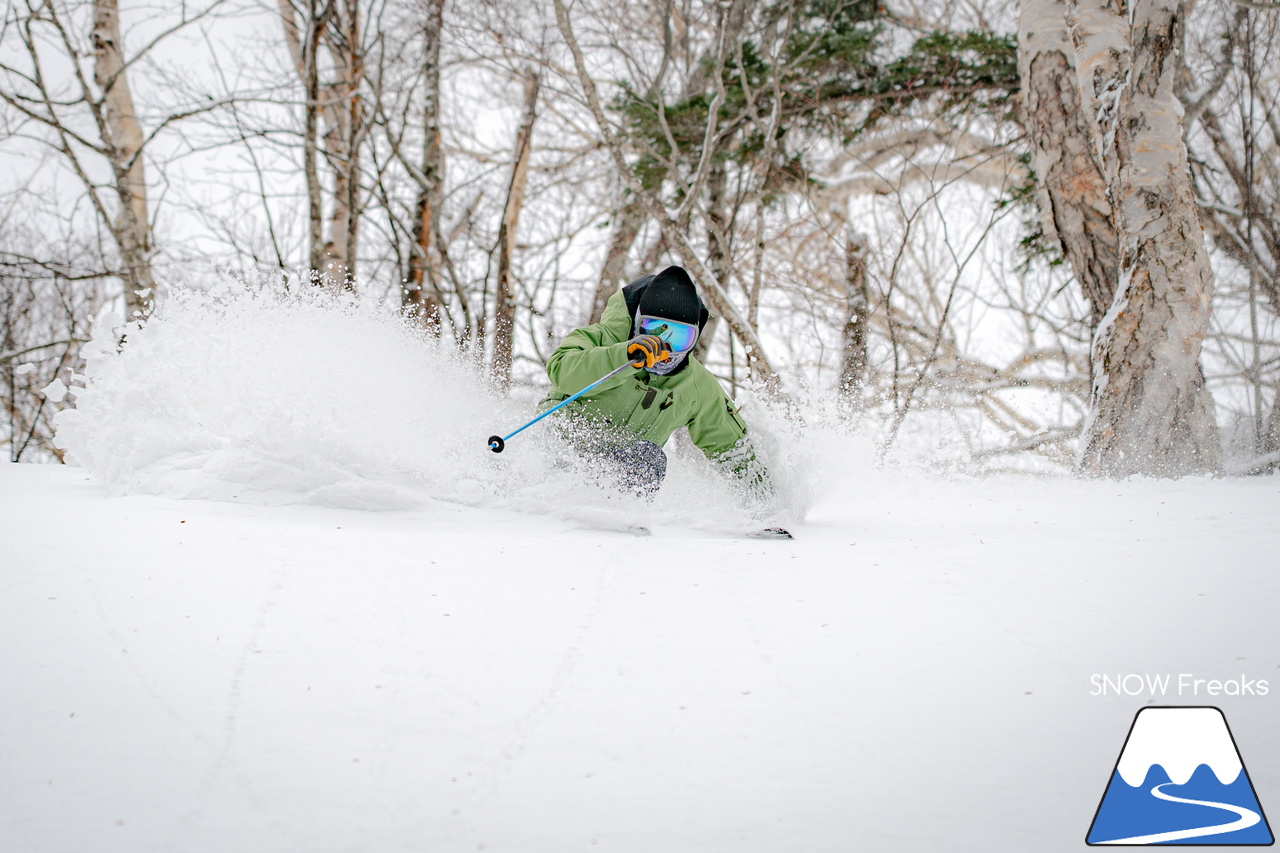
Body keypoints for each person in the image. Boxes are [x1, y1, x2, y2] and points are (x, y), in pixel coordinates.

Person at [540, 264, 766, 498]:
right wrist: (624, 356)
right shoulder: (604, 339)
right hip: (561, 448)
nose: (665, 347)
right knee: (623, 456)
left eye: (680, 338)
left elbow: (730, 448)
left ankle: (620, 514)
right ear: (638, 324)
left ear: (694, 339)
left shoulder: (693, 384)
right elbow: (562, 371)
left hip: (622, 467)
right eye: (654, 331)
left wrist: (766, 506)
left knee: (647, 458)